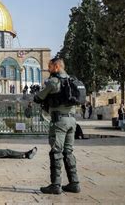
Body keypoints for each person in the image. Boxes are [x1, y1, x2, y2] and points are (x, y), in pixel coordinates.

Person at [34, 57, 80, 194]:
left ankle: (55, 185)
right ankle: (74, 183)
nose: (48, 69)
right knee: (68, 151)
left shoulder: (54, 82)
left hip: (59, 122)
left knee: (56, 151)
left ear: (57, 67)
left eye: (50, 66)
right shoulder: (72, 81)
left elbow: (39, 97)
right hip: (72, 121)